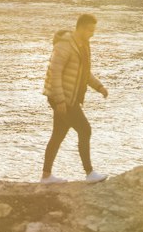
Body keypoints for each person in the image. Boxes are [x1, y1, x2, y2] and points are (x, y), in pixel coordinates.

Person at [41, 13, 109, 184]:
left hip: (69, 97)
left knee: (58, 134)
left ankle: (46, 176)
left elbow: (84, 73)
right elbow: (55, 73)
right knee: (85, 130)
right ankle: (89, 173)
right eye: (90, 30)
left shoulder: (83, 45)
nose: (92, 34)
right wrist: (60, 101)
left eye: (93, 30)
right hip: (63, 98)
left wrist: (99, 86)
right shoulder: (64, 46)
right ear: (80, 28)